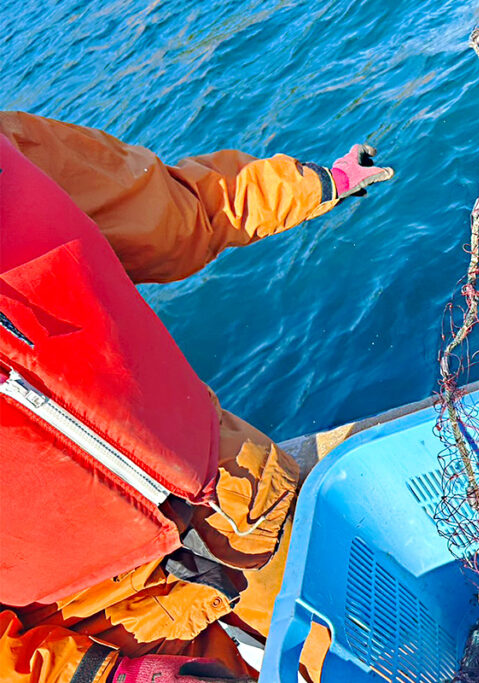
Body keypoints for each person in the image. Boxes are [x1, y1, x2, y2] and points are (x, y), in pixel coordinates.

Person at [0, 111, 393, 683]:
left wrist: (319, 182)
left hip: (241, 502)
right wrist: (112, 677)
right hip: (106, 635)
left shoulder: (13, 151)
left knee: (391, 649)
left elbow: (177, 214)